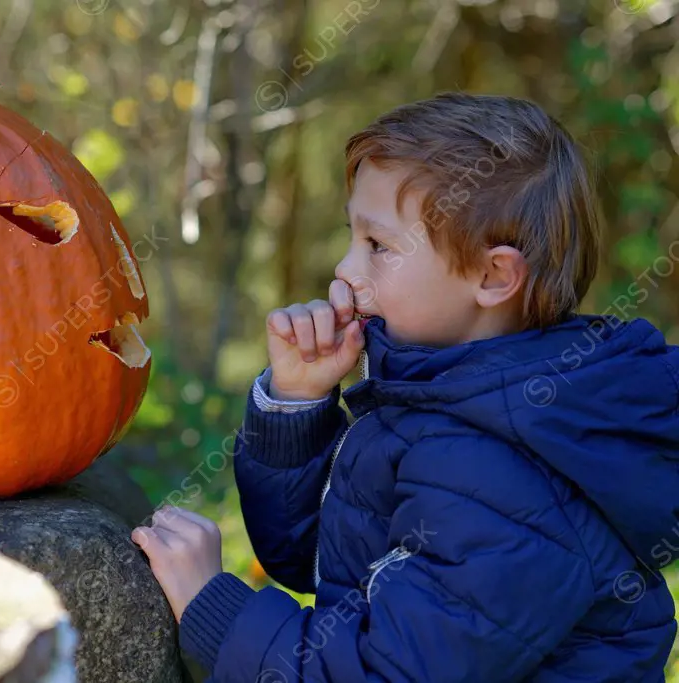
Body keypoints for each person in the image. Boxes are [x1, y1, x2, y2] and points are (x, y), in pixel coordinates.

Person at [131, 92, 679, 682]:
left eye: (378, 246)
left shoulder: (508, 471)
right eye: (352, 236)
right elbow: (324, 559)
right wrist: (297, 402)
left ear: (493, 277)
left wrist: (212, 609)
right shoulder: (446, 397)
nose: (344, 269)